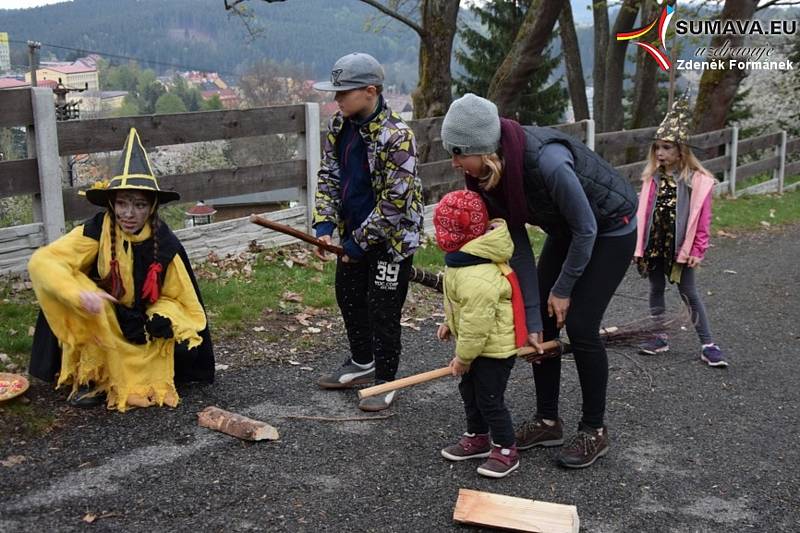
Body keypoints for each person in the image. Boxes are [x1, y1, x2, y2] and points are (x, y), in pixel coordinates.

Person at [440, 93, 638, 468]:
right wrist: (530, 317)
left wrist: (563, 289)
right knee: (542, 323)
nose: (454, 162)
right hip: (566, 229)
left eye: (459, 152)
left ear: (484, 149)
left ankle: (594, 429)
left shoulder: (547, 161)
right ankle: (549, 421)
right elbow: (516, 249)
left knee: (580, 325)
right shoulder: (483, 176)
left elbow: (587, 229)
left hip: (612, 227)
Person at [28, 128, 214, 412]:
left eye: (138, 205)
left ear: (151, 207)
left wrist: (161, 316)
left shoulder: (165, 245)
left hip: (144, 324)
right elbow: (43, 261)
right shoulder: (97, 230)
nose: (129, 214)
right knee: (78, 293)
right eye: (122, 203)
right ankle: (95, 378)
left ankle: (132, 378)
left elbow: (190, 307)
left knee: (180, 351)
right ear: (112, 204)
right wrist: (78, 295)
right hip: (104, 319)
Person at [311, 52, 424, 412]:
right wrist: (325, 226)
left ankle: (387, 380)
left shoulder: (398, 137)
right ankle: (362, 361)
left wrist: (357, 244)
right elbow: (329, 177)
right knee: (348, 296)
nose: (336, 99)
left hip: (391, 243)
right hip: (351, 238)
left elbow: (395, 203)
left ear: (370, 91)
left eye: (343, 93)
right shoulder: (339, 128)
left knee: (384, 310)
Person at [434, 190, 527, 479]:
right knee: (470, 392)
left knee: (489, 397)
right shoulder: (464, 260)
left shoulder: (478, 272)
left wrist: (463, 358)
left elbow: (478, 322)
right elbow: (464, 306)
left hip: (494, 349)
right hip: (478, 344)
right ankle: (478, 437)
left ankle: (507, 449)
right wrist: (451, 322)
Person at [634, 95, 728, 367]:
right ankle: (659, 335)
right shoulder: (651, 179)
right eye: (657, 148)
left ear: (680, 151)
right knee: (655, 289)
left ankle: (708, 344)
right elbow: (643, 214)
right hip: (655, 245)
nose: (660, 153)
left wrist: (698, 249)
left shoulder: (696, 182)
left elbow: (703, 219)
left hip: (679, 247)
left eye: (666, 148)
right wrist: (637, 246)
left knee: (689, 292)